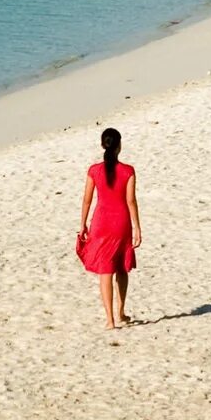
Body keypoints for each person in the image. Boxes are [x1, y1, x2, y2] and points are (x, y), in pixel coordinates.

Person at [75, 126, 141, 328]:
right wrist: (137, 227)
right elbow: (131, 201)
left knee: (105, 270)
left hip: (101, 223)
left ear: (103, 145)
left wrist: (83, 224)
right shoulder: (128, 171)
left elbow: (87, 200)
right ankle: (121, 312)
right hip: (121, 223)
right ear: (119, 146)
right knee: (121, 268)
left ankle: (110, 320)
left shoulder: (94, 170)